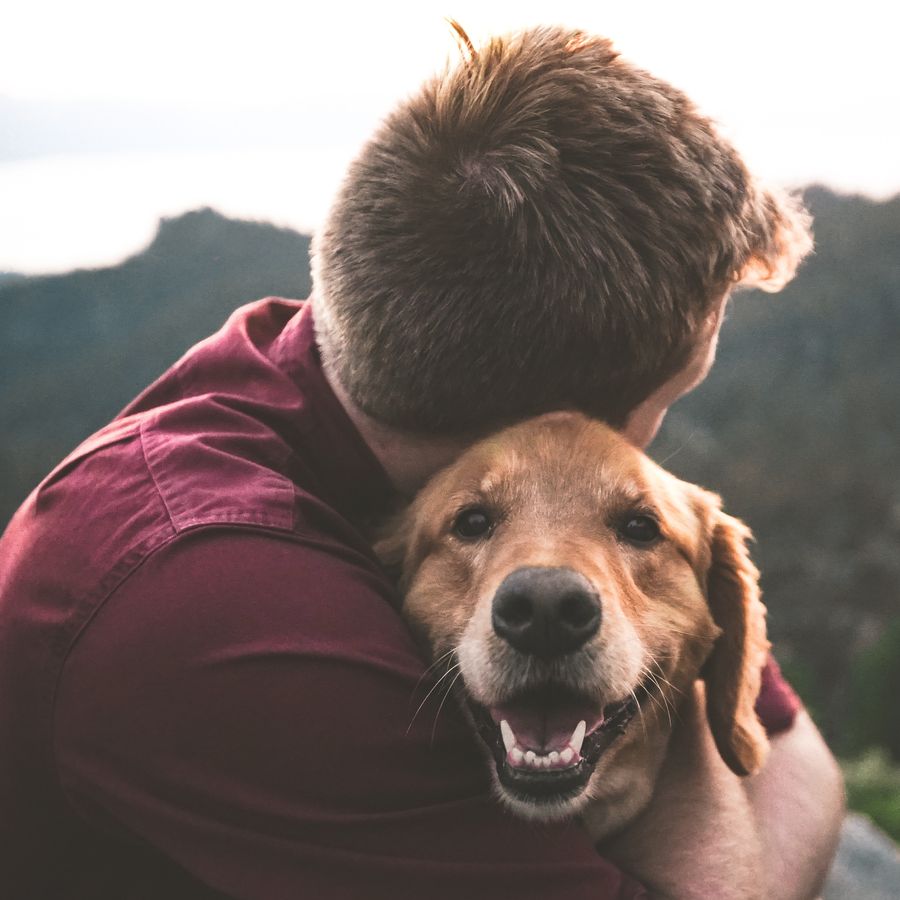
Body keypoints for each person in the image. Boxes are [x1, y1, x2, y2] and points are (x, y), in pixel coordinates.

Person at [0, 25, 843, 900]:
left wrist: (676, 693)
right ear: (552, 422)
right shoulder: (223, 607)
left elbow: (793, 752)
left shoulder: (348, 362)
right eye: (670, 398)